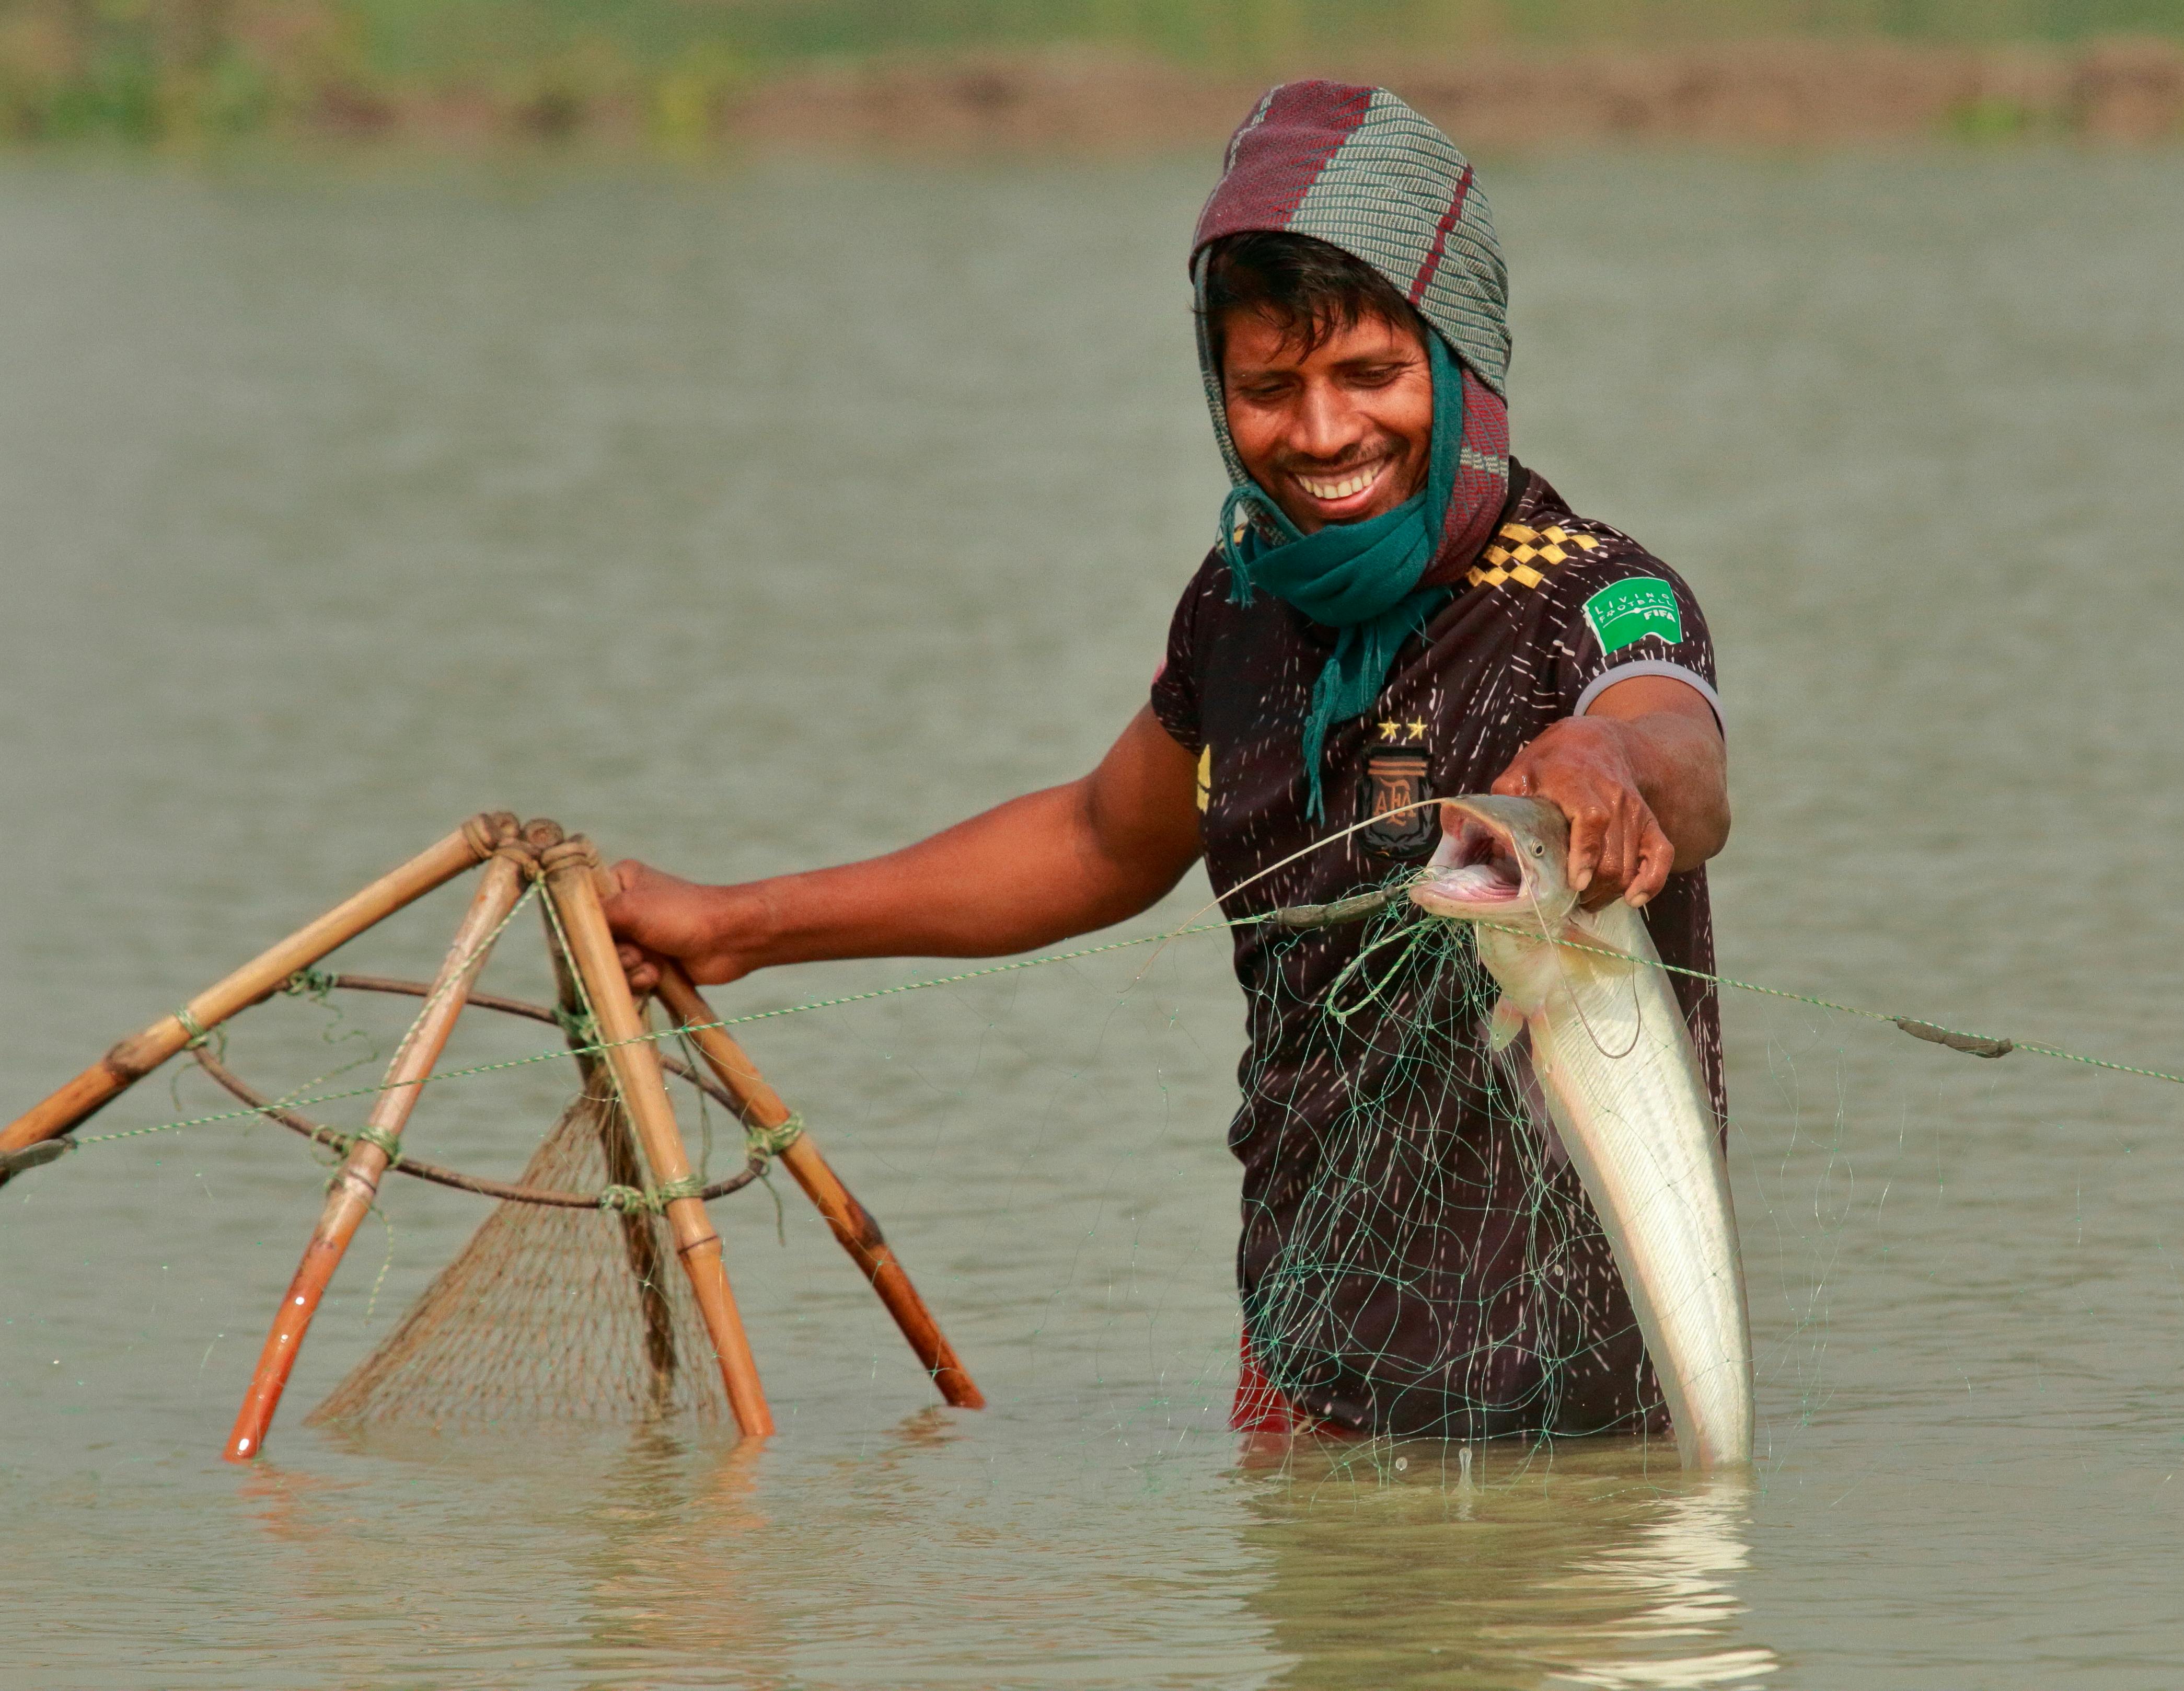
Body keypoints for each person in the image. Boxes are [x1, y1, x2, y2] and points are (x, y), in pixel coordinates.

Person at [605, 81, 1729, 1442]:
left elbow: (1680, 751)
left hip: (1585, 1391)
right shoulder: (1242, 607)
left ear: (1460, 359)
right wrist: (738, 925)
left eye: (1370, 375)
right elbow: (1096, 840)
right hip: (1307, 1366)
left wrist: (1605, 759)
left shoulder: (1591, 593)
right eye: (1267, 389)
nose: (1320, 436)